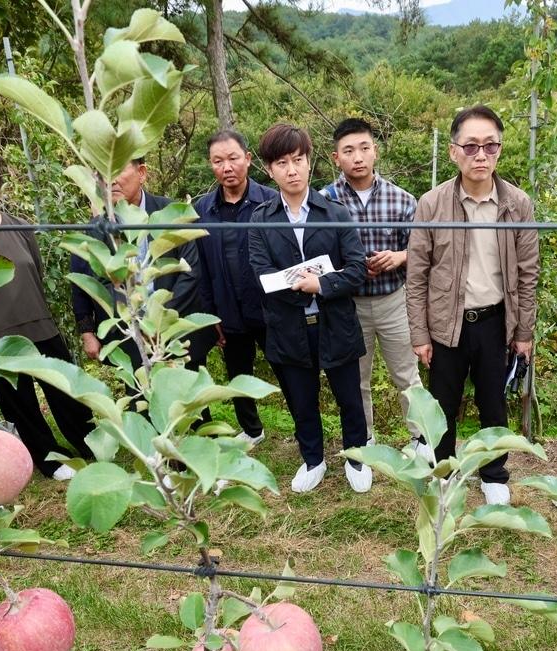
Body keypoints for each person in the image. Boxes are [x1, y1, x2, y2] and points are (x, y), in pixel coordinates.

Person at [406, 105, 538, 506]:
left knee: (492, 403)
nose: (481, 155)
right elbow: (417, 274)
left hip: (495, 321)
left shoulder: (517, 204)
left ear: (499, 150)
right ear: (453, 152)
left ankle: (493, 472)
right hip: (446, 322)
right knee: (442, 404)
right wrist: (419, 333)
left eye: (490, 146)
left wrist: (524, 332)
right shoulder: (432, 204)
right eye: (471, 146)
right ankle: (443, 468)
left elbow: (529, 272)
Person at [0, 150, 94, 481]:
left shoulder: (18, 225)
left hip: (38, 321)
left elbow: (35, 271)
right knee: (20, 402)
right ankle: (48, 461)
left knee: (65, 388)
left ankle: (88, 444)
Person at [247, 123, 370, 494]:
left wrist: (323, 285)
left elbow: (357, 267)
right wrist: (301, 288)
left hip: (335, 320)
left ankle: (356, 456)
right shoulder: (261, 218)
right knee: (301, 399)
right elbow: (261, 272)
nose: (292, 169)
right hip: (287, 324)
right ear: (269, 169)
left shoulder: (334, 212)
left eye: (298, 160)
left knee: (349, 396)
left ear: (309, 162)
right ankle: (313, 459)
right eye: (282, 163)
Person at [321, 118, 421, 440]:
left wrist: (399, 257)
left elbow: (422, 249)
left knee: (407, 374)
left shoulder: (402, 199)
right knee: (356, 379)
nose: (358, 157)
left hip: (393, 300)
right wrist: (349, 266)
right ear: (336, 157)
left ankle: (421, 437)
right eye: (348, 151)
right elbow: (316, 252)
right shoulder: (323, 202)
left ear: (375, 151)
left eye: (364, 148)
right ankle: (364, 438)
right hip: (348, 305)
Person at [70, 157, 204, 366]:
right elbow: (91, 282)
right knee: (140, 394)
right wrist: (130, 321)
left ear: (141, 173)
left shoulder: (170, 213)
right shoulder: (97, 228)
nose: (110, 181)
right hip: (130, 335)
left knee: (186, 391)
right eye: (103, 174)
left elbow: (191, 272)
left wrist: (160, 320)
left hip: (174, 330)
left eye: (117, 171)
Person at [193, 130, 278, 445]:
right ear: (211, 165)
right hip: (228, 310)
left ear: (248, 159)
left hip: (268, 309)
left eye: (232, 158)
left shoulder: (270, 202)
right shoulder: (202, 209)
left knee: (288, 371)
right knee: (238, 375)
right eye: (218, 161)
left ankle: (304, 430)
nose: (226, 167)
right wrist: (211, 315)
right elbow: (200, 267)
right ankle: (252, 430)